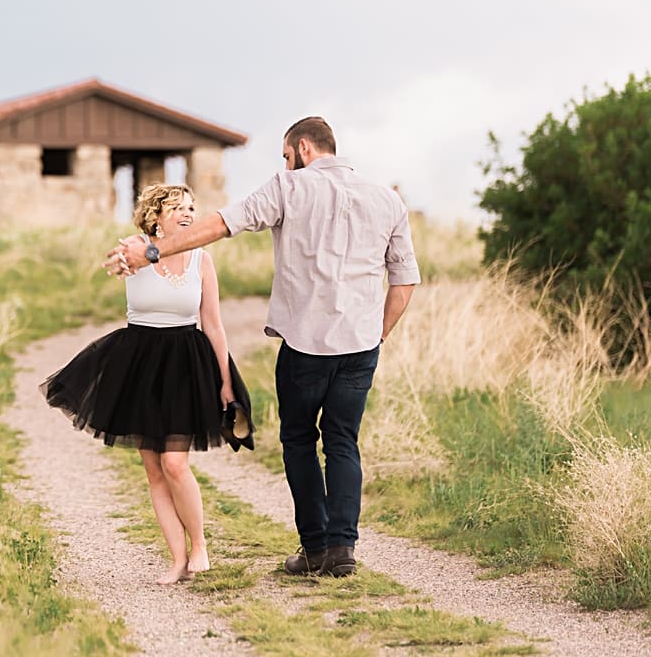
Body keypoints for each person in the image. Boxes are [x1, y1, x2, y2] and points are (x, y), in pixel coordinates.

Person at [105, 117, 420, 578]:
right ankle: (342, 550)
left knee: (298, 440)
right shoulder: (388, 200)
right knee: (342, 441)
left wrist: (153, 252)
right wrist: (379, 334)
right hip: (360, 347)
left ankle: (315, 550)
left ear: (304, 148)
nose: (286, 165)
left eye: (287, 156)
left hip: (306, 348)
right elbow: (405, 279)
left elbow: (220, 225)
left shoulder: (288, 189)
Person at [41, 183, 254, 585]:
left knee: (175, 463)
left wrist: (226, 382)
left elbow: (214, 324)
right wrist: (123, 261)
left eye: (192, 207)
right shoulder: (134, 248)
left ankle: (200, 545)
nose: (188, 213)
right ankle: (176, 559)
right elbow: (122, 262)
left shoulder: (202, 261)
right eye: (177, 208)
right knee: (154, 469)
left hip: (184, 364)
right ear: (155, 216)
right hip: (138, 363)